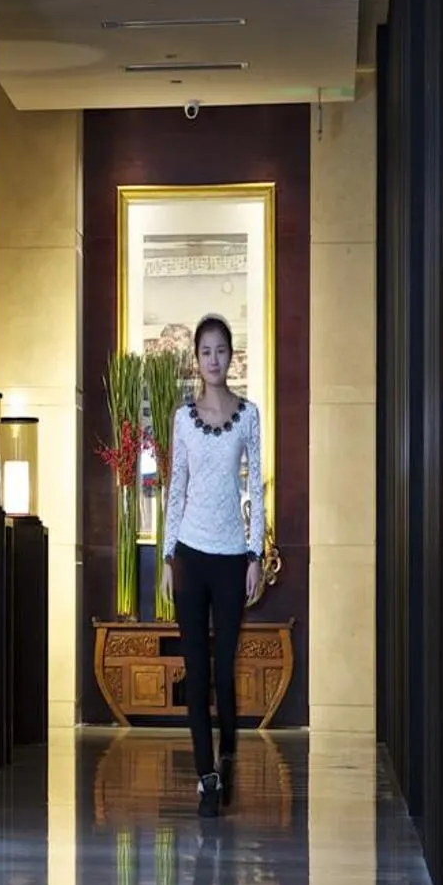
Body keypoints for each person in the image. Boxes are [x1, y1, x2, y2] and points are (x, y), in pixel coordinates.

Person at [156, 315, 265, 817]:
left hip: (230, 559)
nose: (214, 360)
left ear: (231, 355)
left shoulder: (249, 416)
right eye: (206, 352)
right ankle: (206, 777)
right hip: (191, 557)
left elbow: (256, 491)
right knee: (196, 670)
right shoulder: (183, 419)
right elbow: (174, 488)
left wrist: (255, 554)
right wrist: (167, 556)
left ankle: (227, 754)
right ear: (195, 360)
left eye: (221, 351)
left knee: (224, 674)